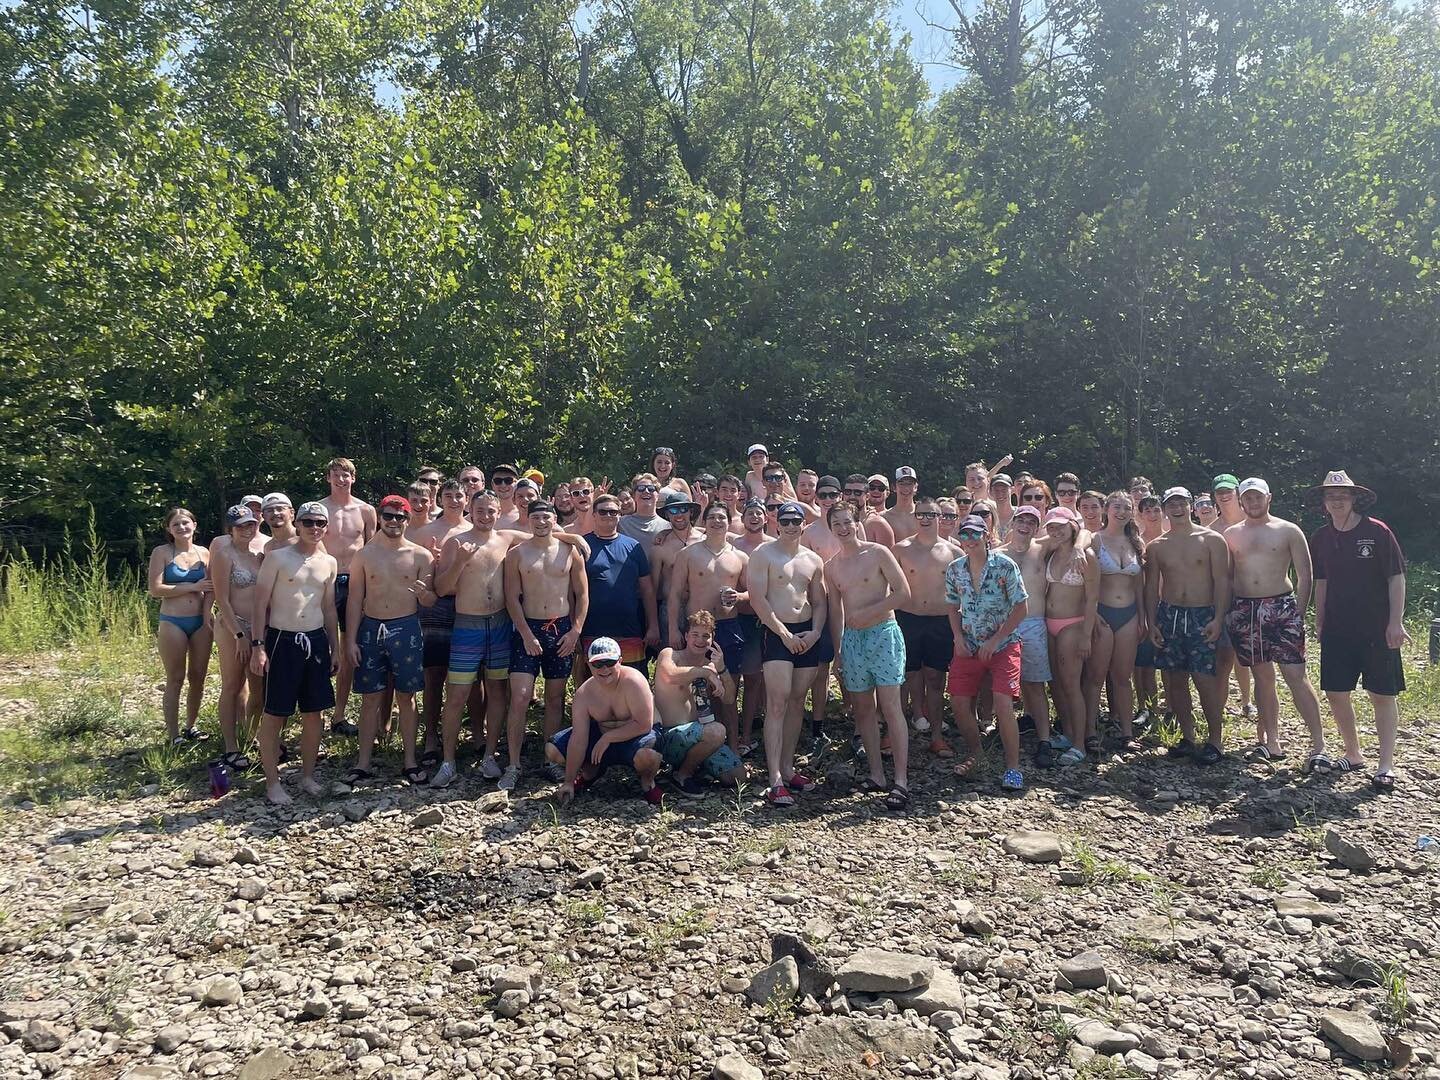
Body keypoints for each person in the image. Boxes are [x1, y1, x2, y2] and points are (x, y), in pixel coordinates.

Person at [1221, 477, 1331, 769]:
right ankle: (1271, 740)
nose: (1253, 503)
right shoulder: (1231, 534)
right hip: (1246, 608)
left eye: (1258, 497)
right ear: (1241, 501)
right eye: (1248, 498)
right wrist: (1228, 611)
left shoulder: (1288, 530)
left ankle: (1318, 743)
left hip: (1281, 606)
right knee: (1262, 677)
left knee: (1296, 675)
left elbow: (1305, 575)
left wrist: (1298, 611)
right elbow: (1228, 577)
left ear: (1268, 498)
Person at [1308, 470, 1408, 791]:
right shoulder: (1321, 537)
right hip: (1337, 628)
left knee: (1382, 693)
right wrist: (1319, 619)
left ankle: (1385, 764)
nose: (1337, 500)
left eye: (1343, 495)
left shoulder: (1377, 531)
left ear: (1354, 498)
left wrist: (1396, 622)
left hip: (1376, 628)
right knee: (1336, 693)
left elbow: (1396, 577)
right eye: (1331, 496)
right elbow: (1320, 581)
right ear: (1324, 502)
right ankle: (1353, 753)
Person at [249, 502, 340, 804]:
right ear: (298, 524)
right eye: (309, 522)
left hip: (315, 640)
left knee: (314, 712)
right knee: (275, 712)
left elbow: (328, 608)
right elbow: (260, 604)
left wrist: (335, 647)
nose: (315, 528)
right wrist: (258, 646)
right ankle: (272, 782)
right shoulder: (276, 558)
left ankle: (307, 775)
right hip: (281, 639)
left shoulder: (329, 562)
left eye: (320, 523)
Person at [344, 495, 436, 787]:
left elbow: (432, 599)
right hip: (371, 628)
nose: (394, 522)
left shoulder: (421, 556)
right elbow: (355, 598)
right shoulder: (364, 555)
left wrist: (425, 595)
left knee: (407, 697)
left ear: (408, 520)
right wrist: (350, 641)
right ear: (380, 517)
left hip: (407, 628)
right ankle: (363, 762)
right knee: (370, 698)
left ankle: (409, 760)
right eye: (388, 516)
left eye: (400, 517)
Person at [827, 502, 913, 809]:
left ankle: (901, 780)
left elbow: (903, 593)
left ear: (856, 521)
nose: (843, 527)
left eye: (847, 521)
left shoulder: (878, 552)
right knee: (863, 709)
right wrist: (837, 650)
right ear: (831, 528)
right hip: (853, 641)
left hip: (883, 633)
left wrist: (869, 613)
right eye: (837, 523)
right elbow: (836, 611)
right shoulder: (832, 566)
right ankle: (877, 775)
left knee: (891, 707)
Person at [501, 500, 589, 791]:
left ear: (555, 520)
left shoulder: (569, 551)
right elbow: (512, 597)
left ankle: (550, 759)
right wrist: (526, 634)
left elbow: (582, 594)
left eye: (546, 517)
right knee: (521, 697)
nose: (541, 522)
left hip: (561, 628)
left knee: (555, 698)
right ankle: (513, 764)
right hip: (528, 628)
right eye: (536, 517)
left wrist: (575, 631)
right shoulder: (516, 554)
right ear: (528, 520)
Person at [748, 501, 831, 806]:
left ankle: (788, 767)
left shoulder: (813, 559)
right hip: (776, 632)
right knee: (778, 701)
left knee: (798, 701)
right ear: (777, 523)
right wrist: (783, 633)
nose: (793, 525)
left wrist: (816, 632)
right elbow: (757, 598)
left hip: (807, 631)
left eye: (798, 521)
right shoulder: (763, 555)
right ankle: (774, 779)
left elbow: (820, 601)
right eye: (787, 520)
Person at [433, 490, 516, 787]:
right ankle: (448, 761)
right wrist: (460, 562)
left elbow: (545, 533)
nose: (485, 516)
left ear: (498, 511)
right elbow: (441, 588)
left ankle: (490, 755)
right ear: (471, 509)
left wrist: (576, 538)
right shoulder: (456, 541)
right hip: (467, 625)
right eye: (480, 510)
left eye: (490, 511)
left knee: (497, 692)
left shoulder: (505, 538)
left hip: (500, 624)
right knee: (456, 695)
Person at [1144, 487, 1231, 764]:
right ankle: (1188, 737)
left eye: (1182, 503)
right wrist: (1151, 621)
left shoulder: (1212, 540)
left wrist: (1218, 618)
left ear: (1191, 506)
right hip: (1169, 614)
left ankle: (1215, 741)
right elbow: (1150, 588)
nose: (1177, 508)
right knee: (1175, 680)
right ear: (1165, 508)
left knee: (1205, 680)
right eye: (1171, 504)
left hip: (1201, 614)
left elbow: (1222, 581)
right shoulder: (1157, 545)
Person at [945, 513, 1028, 790]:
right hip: (968, 643)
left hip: (1004, 644)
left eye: (974, 534)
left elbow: (1021, 607)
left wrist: (996, 641)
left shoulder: (1005, 566)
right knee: (958, 701)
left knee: (1003, 704)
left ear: (986, 536)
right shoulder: (955, 569)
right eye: (964, 534)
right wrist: (957, 637)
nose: (968, 540)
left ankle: (1013, 767)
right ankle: (978, 755)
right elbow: (951, 605)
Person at [669, 503, 749, 746]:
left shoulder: (740, 557)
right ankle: (699, 745)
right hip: (696, 630)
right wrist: (673, 628)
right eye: (712, 517)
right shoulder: (688, 554)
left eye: (722, 517)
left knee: (728, 691)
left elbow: (752, 594)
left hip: (728, 627)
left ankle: (732, 746)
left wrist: (739, 597)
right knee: (696, 690)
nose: (717, 521)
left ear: (729, 521)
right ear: (704, 522)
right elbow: (674, 595)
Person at [551, 638, 664, 806]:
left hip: (638, 735)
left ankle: (648, 783)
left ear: (620, 661)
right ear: (589, 665)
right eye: (598, 664)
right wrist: (568, 781)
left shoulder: (634, 681)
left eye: (610, 662)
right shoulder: (584, 694)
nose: (604, 669)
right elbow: (578, 738)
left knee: (647, 757)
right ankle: (591, 772)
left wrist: (608, 738)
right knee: (553, 749)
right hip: (603, 737)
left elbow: (643, 725)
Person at [411, 480, 474, 762]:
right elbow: (410, 568)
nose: (453, 500)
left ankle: (475, 732)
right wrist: (432, 564)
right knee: (434, 674)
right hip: (435, 606)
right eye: (447, 495)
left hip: (469, 606)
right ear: (440, 497)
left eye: (458, 495)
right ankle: (432, 735)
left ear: (466, 499)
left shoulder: (476, 528)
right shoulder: (425, 532)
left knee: (473, 675)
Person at [654, 612, 747, 797]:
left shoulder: (710, 666)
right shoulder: (671, 655)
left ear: (712, 639)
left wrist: (721, 669)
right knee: (717, 731)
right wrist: (704, 673)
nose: (700, 640)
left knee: (738, 777)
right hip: (670, 736)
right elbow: (669, 675)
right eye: (695, 634)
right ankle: (682, 776)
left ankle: (696, 767)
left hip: (701, 736)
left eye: (706, 636)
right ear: (687, 636)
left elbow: (728, 699)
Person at [894, 496, 959, 754]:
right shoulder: (900, 549)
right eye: (921, 514)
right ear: (914, 517)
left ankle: (936, 733)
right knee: (902, 677)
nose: (925, 519)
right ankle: (894, 734)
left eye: (931, 514)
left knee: (935, 678)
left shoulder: (954, 552)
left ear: (939, 517)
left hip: (940, 621)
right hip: (907, 618)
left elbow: (963, 591)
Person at [320, 457, 378, 737]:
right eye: (336, 474)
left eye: (346, 475)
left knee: (348, 648)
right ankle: (314, 713)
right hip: (325, 582)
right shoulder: (319, 509)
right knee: (320, 648)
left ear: (354, 478)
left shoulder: (366, 510)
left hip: (355, 582)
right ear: (328, 478)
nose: (341, 479)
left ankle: (339, 714)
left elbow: (372, 549)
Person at [148, 508, 213, 745]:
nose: (181, 528)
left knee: (198, 677)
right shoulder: (162, 552)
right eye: (176, 524)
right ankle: (173, 734)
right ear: (169, 529)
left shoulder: (204, 553)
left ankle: (191, 726)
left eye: (185, 523)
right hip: (173, 621)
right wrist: (192, 586)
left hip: (201, 622)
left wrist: (207, 613)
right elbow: (155, 589)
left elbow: (212, 587)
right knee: (175, 678)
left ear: (194, 525)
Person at [1001, 505, 1057, 765]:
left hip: (1034, 623)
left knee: (1035, 685)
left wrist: (1078, 547)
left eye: (1031, 522)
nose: (1025, 526)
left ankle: (1044, 740)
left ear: (1038, 526)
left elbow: (1077, 533)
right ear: (1012, 522)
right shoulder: (997, 554)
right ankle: (1006, 737)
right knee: (1004, 687)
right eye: (1021, 520)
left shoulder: (1042, 548)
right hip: (1005, 626)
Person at [210, 505, 264, 771]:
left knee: (258, 686)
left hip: (258, 629)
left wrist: (256, 636)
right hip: (233, 627)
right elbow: (222, 599)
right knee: (232, 685)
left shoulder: (259, 555)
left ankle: (250, 736)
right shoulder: (223, 555)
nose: (248, 529)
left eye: (251, 524)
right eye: (242, 525)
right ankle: (231, 746)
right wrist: (239, 634)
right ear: (230, 529)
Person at [1042, 506, 1098, 760]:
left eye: (1061, 526)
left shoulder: (1086, 556)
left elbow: (1092, 599)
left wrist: (1086, 634)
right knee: (1056, 684)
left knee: (1072, 685)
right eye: (1051, 526)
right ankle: (1067, 732)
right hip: (1049, 624)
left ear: (1072, 526)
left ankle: (1080, 744)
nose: (1055, 531)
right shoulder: (1049, 553)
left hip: (1072, 625)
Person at [582, 492, 660, 675]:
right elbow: (573, 591)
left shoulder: (634, 546)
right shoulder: (583, 545)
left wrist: (653, 626)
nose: (608, 515)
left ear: (620, 515)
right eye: (603, 512)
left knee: (632, 682)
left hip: (630, 629)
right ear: (594, 515)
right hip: (592, 629)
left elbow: (647, 591)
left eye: (613, 512)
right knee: (595, 685)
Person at [731, 498, 773, 752]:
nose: (755, 517)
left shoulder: (773, 546)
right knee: (731, 679)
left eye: (759, 513)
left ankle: (747, 735)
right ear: (742, 518)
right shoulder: (732, 545)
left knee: (755, 678)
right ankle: (730, 733)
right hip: (736, 618)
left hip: (764, 619)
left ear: (767, 518)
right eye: (750, 513)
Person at [801, 476, 847, 560]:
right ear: (816, 498)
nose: (828, 499)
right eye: (822, 495)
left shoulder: (854, 527)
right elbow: (805, 565)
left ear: (840, 497)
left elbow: (863, 558)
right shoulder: (808, 532)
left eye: (833, 495)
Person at [620, 474, 669, 543]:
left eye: (651, 488)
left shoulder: (668, 527)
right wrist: (599, 498)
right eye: (641, 488)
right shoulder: (620, 523)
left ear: (658, 495)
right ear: (634, 495)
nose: (646, 491)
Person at [882, 466, 920, 541]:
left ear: (915, 487)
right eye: (902, 484)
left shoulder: (924, 516)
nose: (906, 488)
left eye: (910, 484)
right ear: (894, 487)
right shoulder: (884, 517)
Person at [989, 473, 1016, 540]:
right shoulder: (987, 516)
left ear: (1012, 490)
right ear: (991, 492)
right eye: (996, 490)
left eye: (1004, 490)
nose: (1000, 494)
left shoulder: (1020, 515)